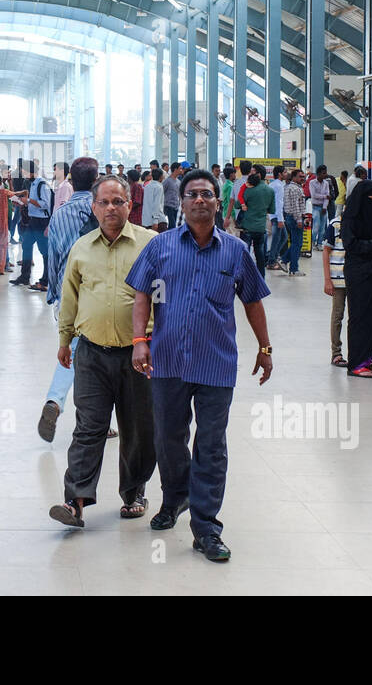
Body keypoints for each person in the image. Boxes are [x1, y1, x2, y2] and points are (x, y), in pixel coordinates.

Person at [127, 168, 273, 564]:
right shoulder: (160, 247)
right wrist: (140, 341)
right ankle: (175, 498)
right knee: (168, 439)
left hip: (216, 364)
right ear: (183, 200)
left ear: (217, 200)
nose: (199, 200)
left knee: (211, 445)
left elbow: (253, 301)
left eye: (207, 194)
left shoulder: (236, 251)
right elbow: (141, 293)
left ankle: (206, 526)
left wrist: (265, 346)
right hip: (167, 359)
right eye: (192, 194)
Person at [48, 174, 157, 528]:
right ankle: (75, 500)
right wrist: (65, 340)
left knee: (137, 428)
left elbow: (163, 297)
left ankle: (134, 491)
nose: (111, 208)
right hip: (91, 353)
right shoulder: (81, 248)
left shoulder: (150, 244)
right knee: (89, 427)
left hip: (138, 355)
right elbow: (70, 297)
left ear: (130, 205)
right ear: (93, 207)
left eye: (118, 202)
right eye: (105, 202)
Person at [37, 157, 102, 442]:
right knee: (99, 357)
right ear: (97, 179)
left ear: (71, 181)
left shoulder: (60, 214)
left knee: (73, 350)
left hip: (67, 293)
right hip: (98, 293)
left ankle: (56, 402)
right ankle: (91, 419)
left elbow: (52, 257)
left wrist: (52, 292)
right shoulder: (103, 209)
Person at [341, 179, 372, 379]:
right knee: (360, 318)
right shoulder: (350, 219)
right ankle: (356, 363)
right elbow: (351, 245)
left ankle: (367, 358)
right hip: (358, 273)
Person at [11, 161, 51, 287]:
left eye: (25, 172)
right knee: (26, 245)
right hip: (33, 220)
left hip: (42, 221)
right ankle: (24, 277)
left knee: (44, 251)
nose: (23, 174)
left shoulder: (42, 185)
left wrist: (28, 200)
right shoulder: (32, 184)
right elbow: (33, 202)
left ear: (32, 172)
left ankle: (46, 280)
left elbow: (46, 204)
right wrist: (22, 202)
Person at [322, 204, 348, 368]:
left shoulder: (361, 224)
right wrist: (327, 279)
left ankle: (356, 353)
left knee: (355, 319)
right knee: (337, 316)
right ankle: (336, 353)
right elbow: (326, 250)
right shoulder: (335, 225)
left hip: (355, 279)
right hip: (338, 279)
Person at [238, 171, 274, 275]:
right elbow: (271, 210)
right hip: (260, 228)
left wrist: (244, 205)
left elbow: (237, 204)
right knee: (260, 254)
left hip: (247, 227)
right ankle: (261, 279)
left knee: (245, 253)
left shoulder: (248, 190)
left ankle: (245, 277)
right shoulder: (270, 190)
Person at [281, 169, 307, 276]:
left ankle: (285, 261)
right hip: (295, 218)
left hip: (289, 217)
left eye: (303, 176)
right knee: (297, 244)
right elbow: (296, 205)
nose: (303, 178)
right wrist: (299, 219)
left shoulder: (288, 187)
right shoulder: (295, 189)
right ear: (294, 177)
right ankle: (293, 268)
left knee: (295, 243)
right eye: (300, 176)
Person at [265, 165, 287, 270]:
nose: (286, 174)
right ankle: (271, 261)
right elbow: (279, 203)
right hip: (277, 216)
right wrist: (280, 219)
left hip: (273, 215)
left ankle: (272, 256)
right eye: (285, 172)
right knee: (277, 239)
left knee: (283, 237)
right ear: (280, 174)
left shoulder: (273, 184)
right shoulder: (278, 186)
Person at [162, 162, 182, 229]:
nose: (181, 170)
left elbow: (179, 195)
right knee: (172, 225)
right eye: (180, 169)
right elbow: (162, 192)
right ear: (175, 169)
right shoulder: (167, 181)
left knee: (175, 225)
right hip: (168, 206)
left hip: (176, 207)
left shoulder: (178, 181)